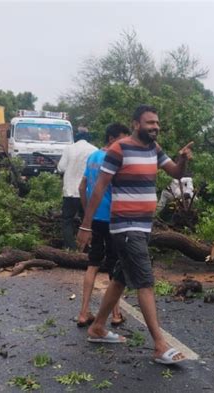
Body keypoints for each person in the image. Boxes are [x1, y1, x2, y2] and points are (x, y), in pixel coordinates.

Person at [77, 105, 193, 365]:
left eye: (157, 123)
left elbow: (176, 172)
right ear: (136, 124)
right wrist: (86, 225)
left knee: (120, 278)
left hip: (143, 226)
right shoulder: (119, 149)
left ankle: (97, 328)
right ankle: (160, 345)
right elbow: (97, 189)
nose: (155, 127)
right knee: (145, 281)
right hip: (126, 227)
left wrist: (183, 158)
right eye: (150, 122)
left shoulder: (154, 149)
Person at [76, 123, 130, 328]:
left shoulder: (92, 157)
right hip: (113, 218)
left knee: (93, 263)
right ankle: (115, 314)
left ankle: (83, 312)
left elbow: (82, 187)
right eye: (122, 140)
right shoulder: (114, 158)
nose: (124, 144)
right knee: (114, 265)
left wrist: (87, 214)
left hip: (95, 219)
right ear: (111, 139)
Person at [57, 129, 97, 250]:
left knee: (67, 220)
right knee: (87, 220)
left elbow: (61, 168)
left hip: (70, 191)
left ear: (76, 138)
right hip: (86, 192)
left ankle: (71, 248)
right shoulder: (94, 150)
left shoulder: (69, 148)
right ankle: (88, 248)